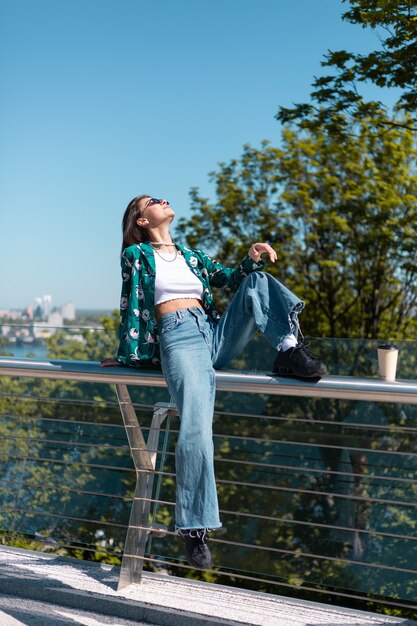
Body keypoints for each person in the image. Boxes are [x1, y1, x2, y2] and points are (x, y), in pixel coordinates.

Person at [101, 195, 327, 570]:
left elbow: (229, 280)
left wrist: (251, 257)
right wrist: (127, 354)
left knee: (256, 281)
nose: (165, 201)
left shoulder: (193, 256)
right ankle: (194, 526)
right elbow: (131, 305)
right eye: (154, 201)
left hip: (212, 335)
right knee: (195, 427)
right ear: (141, 220)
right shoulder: (137, 256)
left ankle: (289, 347)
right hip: (178, 337)